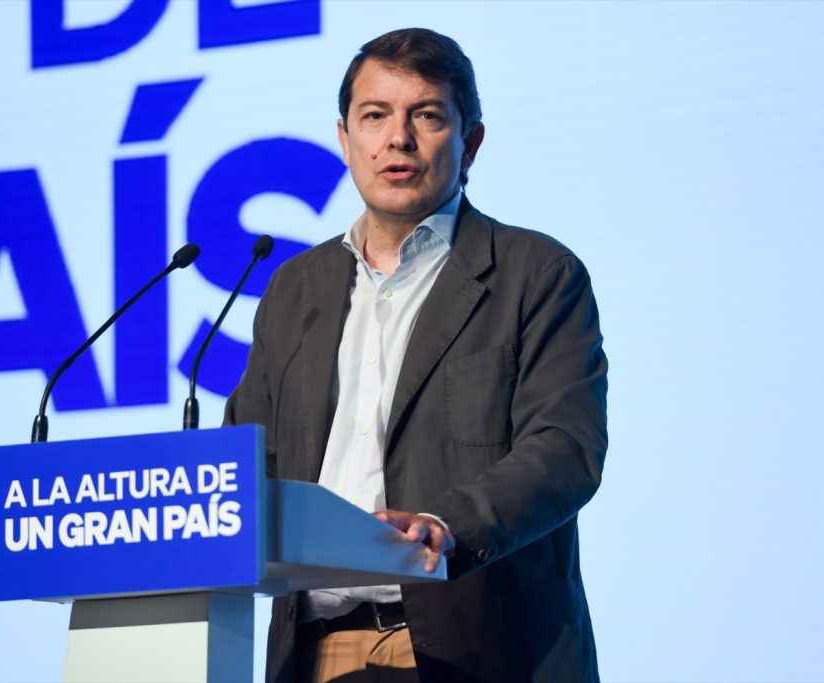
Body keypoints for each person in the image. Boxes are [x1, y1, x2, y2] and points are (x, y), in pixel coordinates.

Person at [225, 27, 608, 683]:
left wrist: (446, 525)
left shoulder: (535, 273)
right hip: (316, 651)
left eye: (426, 116)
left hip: (476, 649)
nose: (397, 138)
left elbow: (564, 448)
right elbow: (251, 460)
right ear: (345, 138)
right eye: (374, 116)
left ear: (470, 143)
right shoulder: (295, 290)